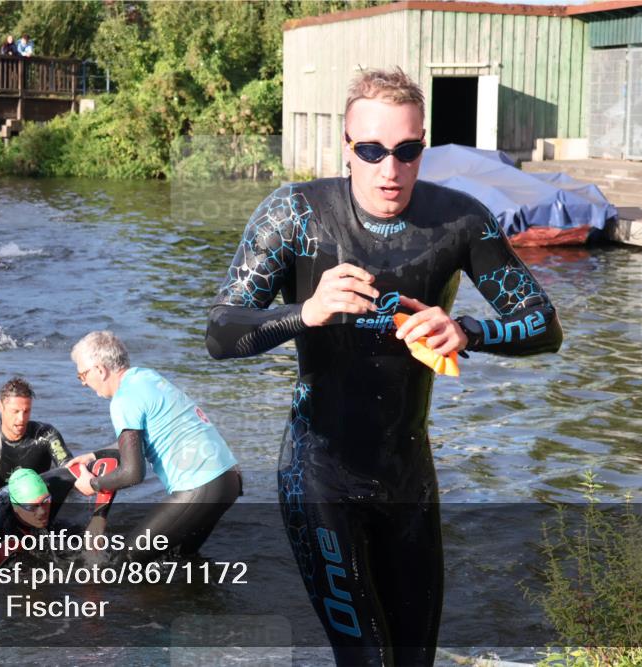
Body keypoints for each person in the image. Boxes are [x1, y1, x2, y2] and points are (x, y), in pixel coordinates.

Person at [204, 67, 563, 666]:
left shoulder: (460, 221)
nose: (388, 170)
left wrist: (467, 328)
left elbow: (543, 325)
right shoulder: (294, 215)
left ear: (423, 146)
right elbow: (220, 333)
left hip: (407, 473)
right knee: (367, 657)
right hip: (321, 472)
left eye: (405, 151)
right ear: (346, 145)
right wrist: (308, 312)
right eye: (370, 151)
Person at [67, 331, 241, 563]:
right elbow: (144, 437)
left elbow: (132, 473)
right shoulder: (146, 377)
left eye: (82, 375)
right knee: (182, 560)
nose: (84, 383)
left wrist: (93, 484)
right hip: (229, 480)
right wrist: (94, 455)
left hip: (200, 487)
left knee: (123, 564)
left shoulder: (123, 400)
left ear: (100, 369)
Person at [0, 460, 119, 570]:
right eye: (32, 506)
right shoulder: (0, 527)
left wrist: (98, 518)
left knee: (82, 539)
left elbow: (109, 463)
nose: (42, 511)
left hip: (32, 508)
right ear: (16, 507)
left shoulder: (56, 482)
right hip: (3, 514)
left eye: (45, 501)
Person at [0, 377, 71, 490]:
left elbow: (68, 468)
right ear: (0, 407)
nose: (22, 419)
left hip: (41, 496)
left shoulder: (46, 434)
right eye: (15, 411)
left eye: (26, 411)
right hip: (2, 500)